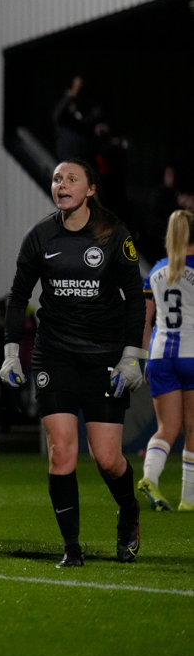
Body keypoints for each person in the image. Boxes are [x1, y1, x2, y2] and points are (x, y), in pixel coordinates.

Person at [0, 159, 147, 568]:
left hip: (103, 359)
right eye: (56, 179)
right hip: (55, 356)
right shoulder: (40, 236)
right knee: (61, 451)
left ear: (91, 190)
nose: (61, 184)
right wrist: (12, 350)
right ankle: (72, 548)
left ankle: (129, 512)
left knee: (107, 459)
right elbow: (17, 297)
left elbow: (135, 299)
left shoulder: (114, 234)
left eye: (71, 179)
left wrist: (132, 357)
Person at [138, 209, 194, 512]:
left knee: (166, 428)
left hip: (160, 356)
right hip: (192, 354)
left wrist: (145, 356)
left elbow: (145, 318)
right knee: (192, 429)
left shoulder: (157, 270)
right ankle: (189, 499)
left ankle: (150, 478)